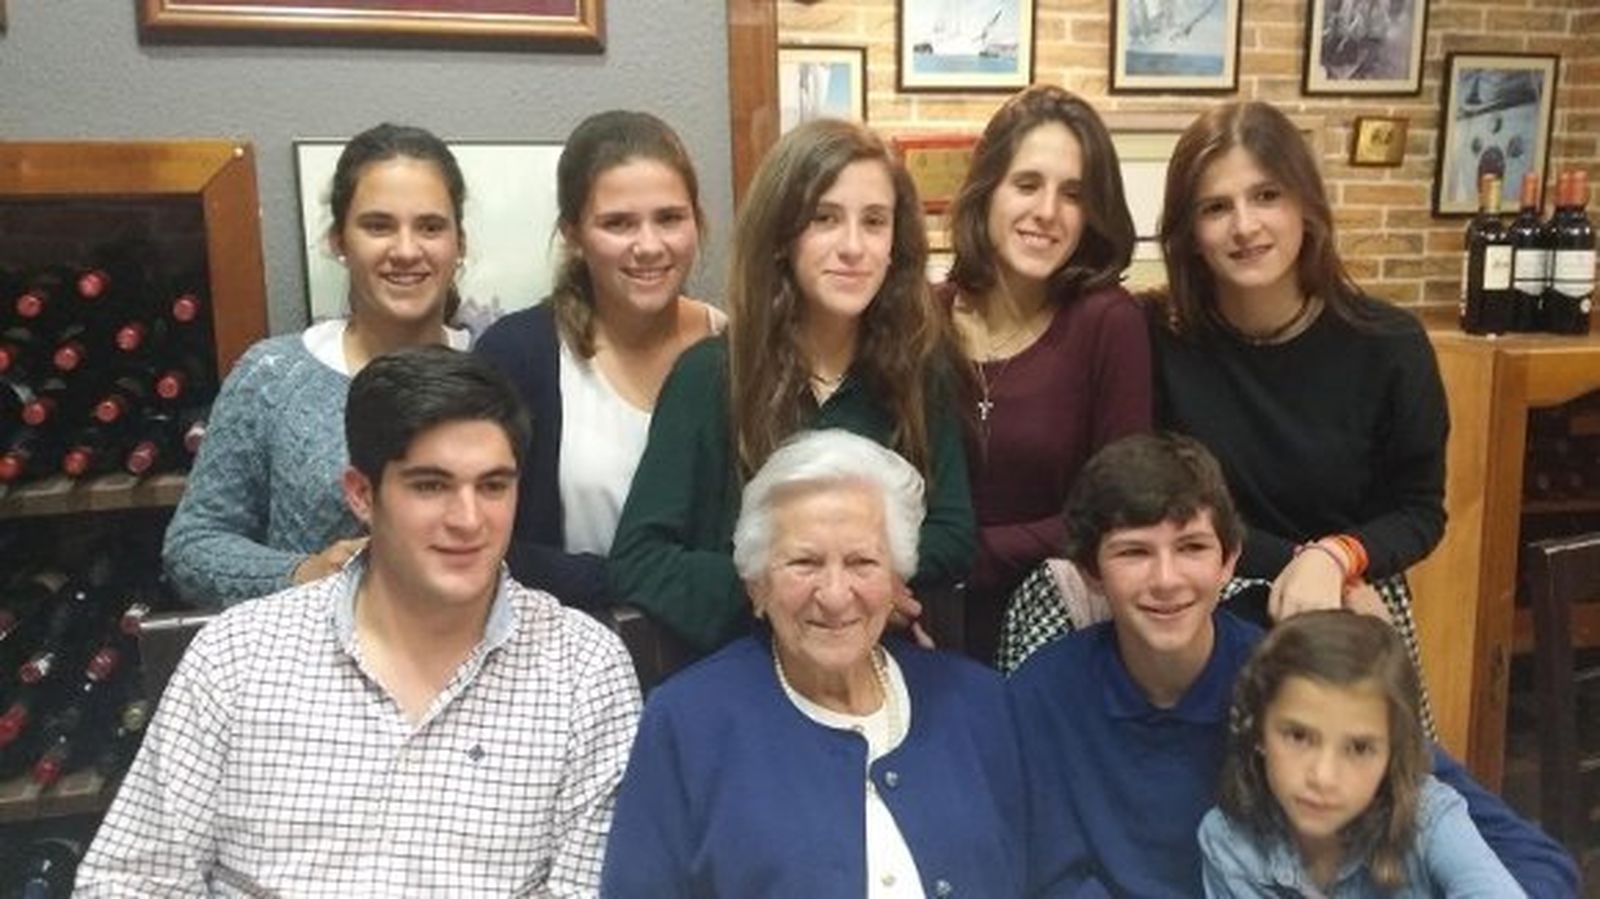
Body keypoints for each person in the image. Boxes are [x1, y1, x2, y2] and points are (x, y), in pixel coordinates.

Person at [78, 346, 641, 895]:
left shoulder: (584, 672)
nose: (469, 519)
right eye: (431, 485)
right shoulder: (237, 655)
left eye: (493, 486)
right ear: (362, 495)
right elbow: (126, 881)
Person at [1008, 432, 1577, 898]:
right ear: (1091, 572)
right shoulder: (1040, 696)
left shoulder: (1293, 683)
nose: (1166, 579)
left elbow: (1528, 855)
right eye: (1134, 552)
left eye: (1192, 547)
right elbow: (1044, 875)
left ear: (1229, 560)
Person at [601, 429, 1024, 896]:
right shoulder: (688, 723)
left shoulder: (979, 704)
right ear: (757, 586)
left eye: (862, 562)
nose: (835, 596)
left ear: (896, 581)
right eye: (805, 562)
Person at [608, 118, 975, 654]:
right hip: (743, 665)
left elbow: (954, 535)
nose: (854, 247)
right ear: (781, 237)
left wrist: (873, 582)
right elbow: (639, 560)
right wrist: (783, 591)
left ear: (895, 244)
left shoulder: (920, 370)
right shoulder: (709, 377)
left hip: (878, 660)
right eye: (825, 218)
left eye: (875, 222)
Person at [1151, 100, 1447, 666]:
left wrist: (1335, 558)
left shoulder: (1391, 344)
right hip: (1203, 602)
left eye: (1267, 195)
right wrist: (1299, 560)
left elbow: (1419, 511)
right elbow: (1170, 499)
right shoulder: (1160, 339)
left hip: (1352, 597)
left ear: (1306, 206)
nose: (1244, 226)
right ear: (1189, 233)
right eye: (1216, 207)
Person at [163, 123, 474, 606]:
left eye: (430, 227)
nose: (406, 250)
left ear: (460, 243)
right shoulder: (273, 376)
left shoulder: (501, 370)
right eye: (378, 226)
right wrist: (302, 573)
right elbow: (192, 547)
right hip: (305, 649)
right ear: (338, 241)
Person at [476, 110, 723, 610]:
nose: (649, 246)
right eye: (618, 223)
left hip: (720, 644)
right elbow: (481, 536)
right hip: (561, 638)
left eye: (669, 218)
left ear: (697, 221)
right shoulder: (519, 355)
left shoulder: (737, 347)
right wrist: (629, 579)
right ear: (573, 233)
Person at [940, 83, 1151, 668]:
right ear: (988, 190)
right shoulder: (923, 316)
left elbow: (1118, 503)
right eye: (1027, 184)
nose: (1047, 212)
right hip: (924, 615)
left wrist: (970, 553)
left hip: (1057, 624)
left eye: (1074, 194)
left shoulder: (1109, 321)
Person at [1200, 610, 1522, 896]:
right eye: (1298, 736)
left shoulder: (1428, 817)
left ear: (1393, 751)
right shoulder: (1230, 843)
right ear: (1257, 729)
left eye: (1359, 748)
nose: (1323, 777)